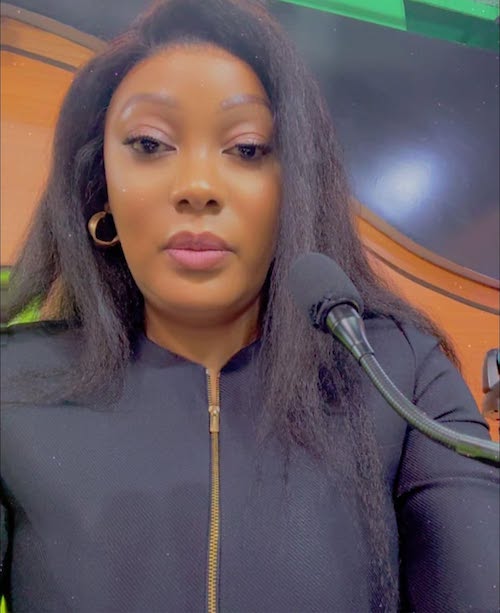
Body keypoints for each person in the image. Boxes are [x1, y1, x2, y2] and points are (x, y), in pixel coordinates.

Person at [1, 0, 498, 611]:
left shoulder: (401, 377)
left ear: (296, 186)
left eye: (247, 148)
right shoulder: (13, 385)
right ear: (99, 184)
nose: (197, 188)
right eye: (150, 143)